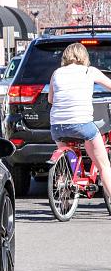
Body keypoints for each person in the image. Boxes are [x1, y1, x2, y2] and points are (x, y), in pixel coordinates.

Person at [48, 42, 111, 199]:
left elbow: (50, 99)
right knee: (104, 165)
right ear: (84, 56)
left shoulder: (56, 73)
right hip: (82, 124)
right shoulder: (90, 71)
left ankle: (64, 183)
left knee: (68, 162)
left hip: (57, 126)